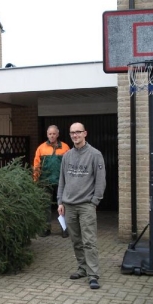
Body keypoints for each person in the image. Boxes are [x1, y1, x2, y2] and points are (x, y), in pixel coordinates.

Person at [57, 123, 106, 290]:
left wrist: (94, 202)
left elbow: (101, 181)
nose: (75, 135)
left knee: (89, 241)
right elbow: (62, 180)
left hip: (86, 205)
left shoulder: (95, 155)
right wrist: (60, 202)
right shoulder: (67, 156)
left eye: (78, 132)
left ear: (85, 133)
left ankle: (93, 275)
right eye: (72, 133)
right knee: (76, 240)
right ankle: (82, 268)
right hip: (68, 205)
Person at [33, 125, 70, 237]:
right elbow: (36, 165)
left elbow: (69, 165)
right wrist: (36, 180)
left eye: (54, 133)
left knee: (63, 206)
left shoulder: (65, 147)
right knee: (45, 206)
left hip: (61, 181)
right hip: (45, 181)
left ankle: (64, 228)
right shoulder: (41, 148)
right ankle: (45, 228)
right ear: (47, 134)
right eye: (50, 134)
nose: (52, 135)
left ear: (57, 135)